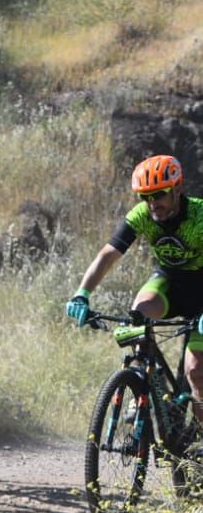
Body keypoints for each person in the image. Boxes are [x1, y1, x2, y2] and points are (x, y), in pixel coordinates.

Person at [67, 155, 203, 411]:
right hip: (170, 282)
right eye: (145, 196)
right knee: (138, 315)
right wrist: (82, 293)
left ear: (177, 189)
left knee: (196, 372)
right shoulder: (142, 215)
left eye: (159, 194)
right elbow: (108, 254)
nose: (153, 203)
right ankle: (144, 384)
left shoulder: (199, 215)